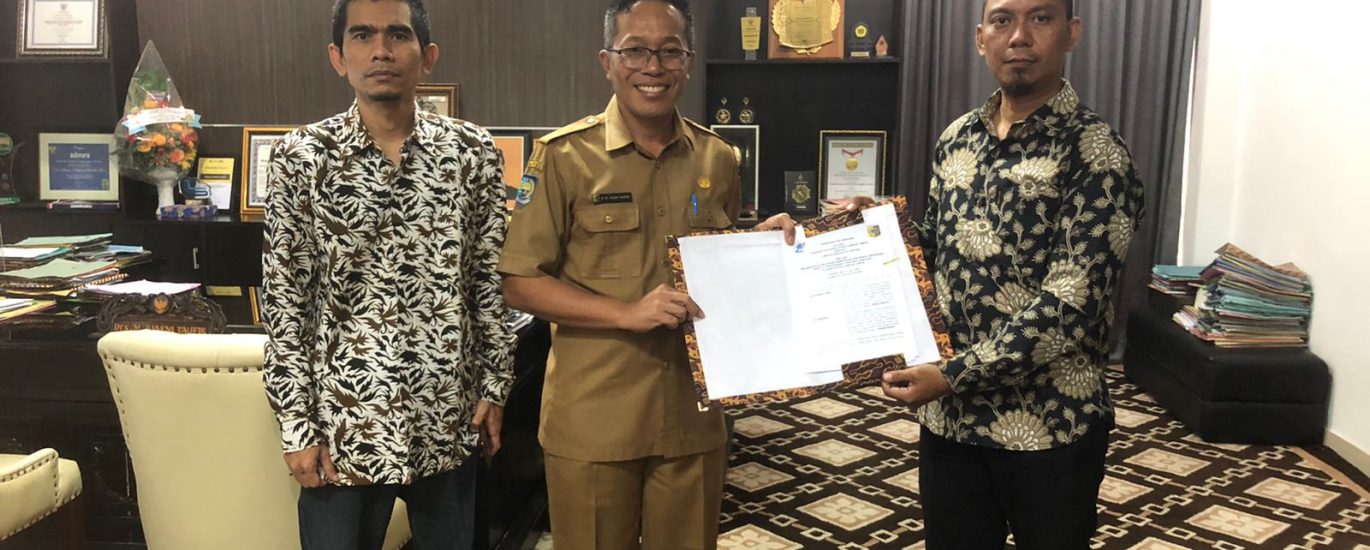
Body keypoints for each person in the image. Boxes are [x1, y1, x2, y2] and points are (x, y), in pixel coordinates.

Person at [761, 0, 1143, 547]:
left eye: (1041, 18)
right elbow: (937, 248)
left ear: (1072, 33)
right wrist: (860, 231)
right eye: (1003, 20)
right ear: (981, 37)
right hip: (953, 421)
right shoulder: (958, 138)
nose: (1019, 36)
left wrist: (952, 374)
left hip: (1050, 424)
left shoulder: (1097, 153)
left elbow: (1072, 304)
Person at [261, 0, 516, 548]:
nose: (381, 51)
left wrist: (495, 385)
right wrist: (297, 425)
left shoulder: (472, 153)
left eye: (398, 35)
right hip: (344, 422)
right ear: (338, 56)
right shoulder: (301, 157)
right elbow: (285, 301)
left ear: (427, 56)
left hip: (448, 415)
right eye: (363, 36)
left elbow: (487, 282)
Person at [497, 1, 740, 547]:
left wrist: (771, 242)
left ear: (688, 61)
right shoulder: (563, 157)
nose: (653, 66)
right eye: (635, 50)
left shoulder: (718, 158)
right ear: (607, 61)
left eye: (670, 51)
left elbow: (724, 261)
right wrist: (626, 313)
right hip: (595, 421)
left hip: (693, 417)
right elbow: (518, 282)